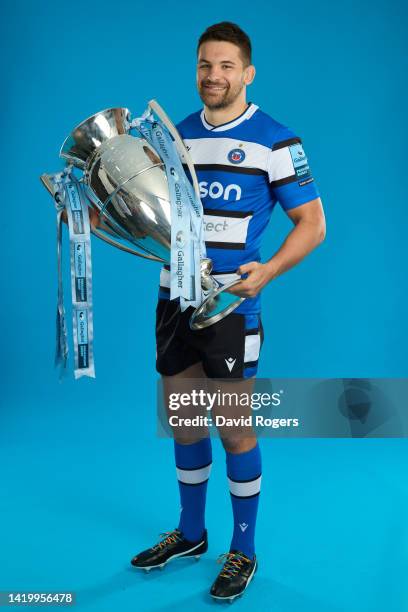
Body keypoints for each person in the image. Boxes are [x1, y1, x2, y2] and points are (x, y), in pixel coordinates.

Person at [129, 22, 326, 602]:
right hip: (173, 299)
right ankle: (191, 535)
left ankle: (243, 549)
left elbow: (313, 225)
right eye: (203, 66)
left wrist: (266, 272)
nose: (213, 77)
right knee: (186, 422)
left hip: (232, 310)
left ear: (247, 72)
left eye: (225, 66)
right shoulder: (173, 137)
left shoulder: (277, 140)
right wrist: (92, 218)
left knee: (234, 429)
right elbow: (145, 214)